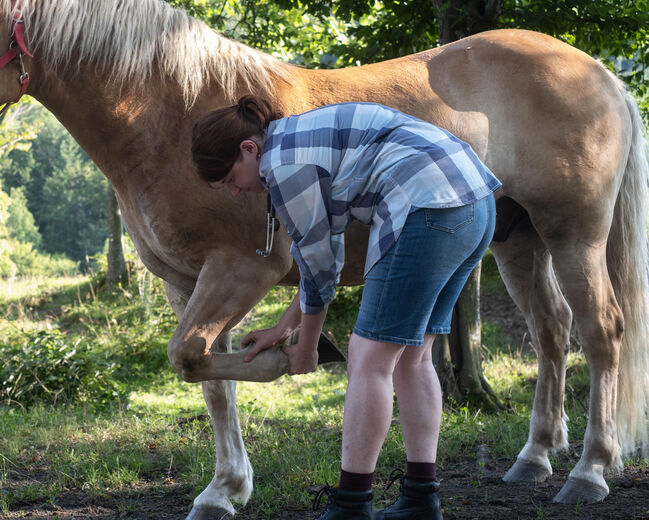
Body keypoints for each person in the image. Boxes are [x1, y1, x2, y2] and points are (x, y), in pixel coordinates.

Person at [192, 95, 500, 520]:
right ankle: (420, 501)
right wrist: (284, 329)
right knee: (414, 356)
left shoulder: (282, 164)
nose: (234, 189)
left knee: (368, 358)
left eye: (230, 177)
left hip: (427, 206)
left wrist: (306, 349)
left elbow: (319, 269)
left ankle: (352, 506)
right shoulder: (297, 137)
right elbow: (320, 258)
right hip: (474, 203)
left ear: (249, 149)